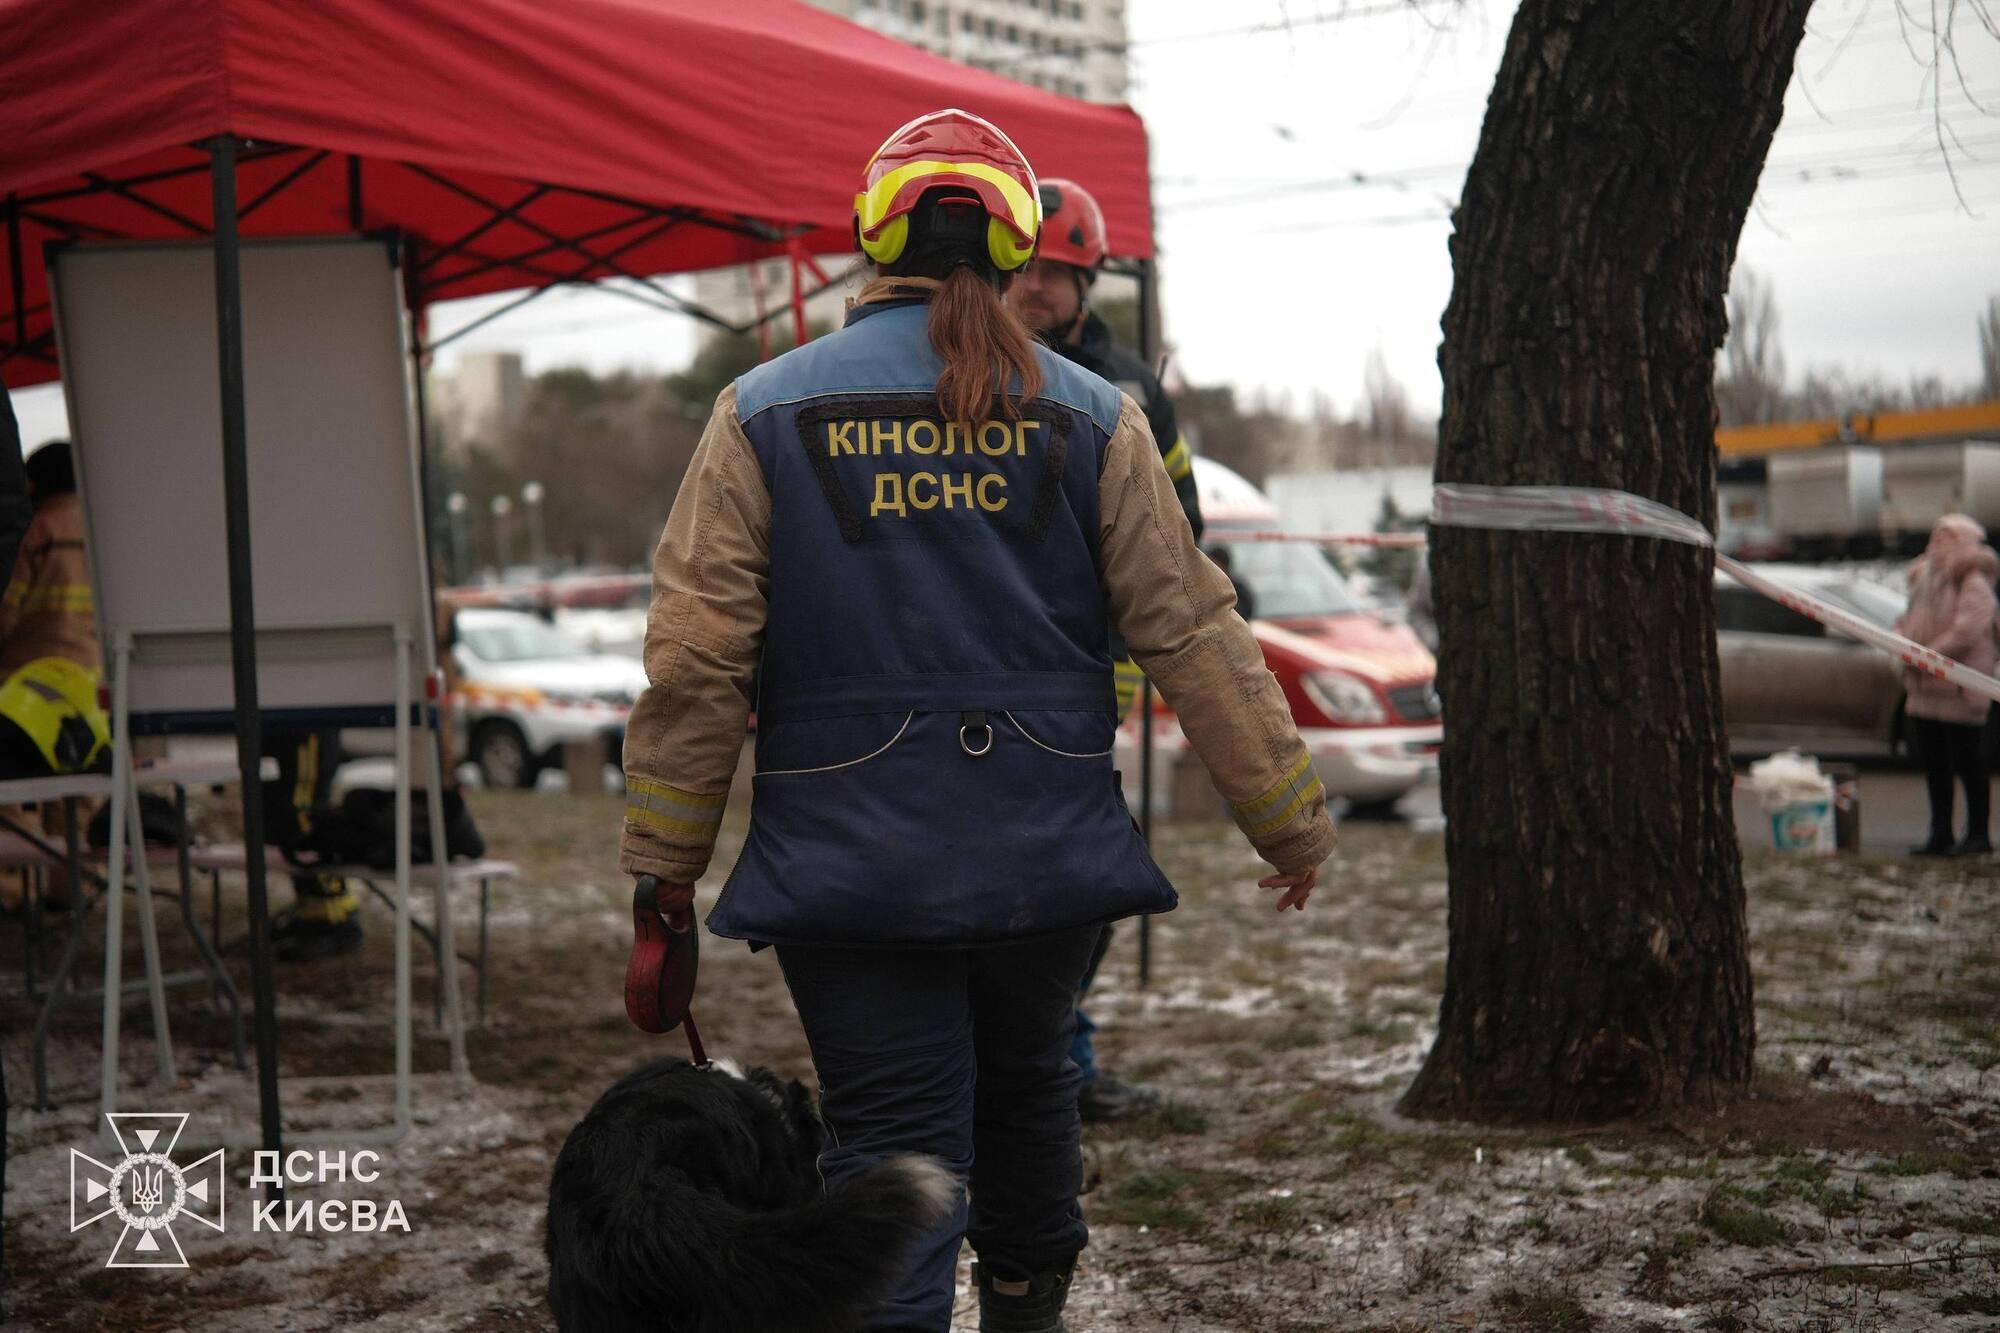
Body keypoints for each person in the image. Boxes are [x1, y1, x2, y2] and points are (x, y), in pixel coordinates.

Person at [619, 109, 1333, 1333]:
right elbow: (1191, 628)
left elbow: (695, 665)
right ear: (1012, 252)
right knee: (1024, 1091)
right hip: (1044, 858)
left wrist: (663, 874)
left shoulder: (757, 412)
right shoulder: (1096, 416)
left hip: (845, 867)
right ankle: (1022, 1310)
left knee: (890, 1135)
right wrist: (1286, 816)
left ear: (869, 236)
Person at [1007, 177, 1204, 1123]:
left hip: (1086, 680)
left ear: (1089, 282)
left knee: (1084, 883)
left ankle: (1059, 1057)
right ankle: (1032, 1058)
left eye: (1058, 270)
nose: (1037, 285)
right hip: (988, 670)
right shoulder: (960, 366)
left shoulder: (1132, 394)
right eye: (1025, 265)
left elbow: (1179, 532)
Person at [1895, 513, 1998, 858]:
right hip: (1924, 687)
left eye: (1948, 536)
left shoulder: (1971, 577)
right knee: (1935, 766)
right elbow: (1907, 617)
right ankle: (1940, 833)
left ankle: (1978, 835)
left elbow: (1970, 628)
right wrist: (1901, 642)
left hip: (1958, 687)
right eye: (1936, 534)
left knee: (1969, 763)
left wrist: (1929, 656)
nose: (1938, 541)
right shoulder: (1924, 574)